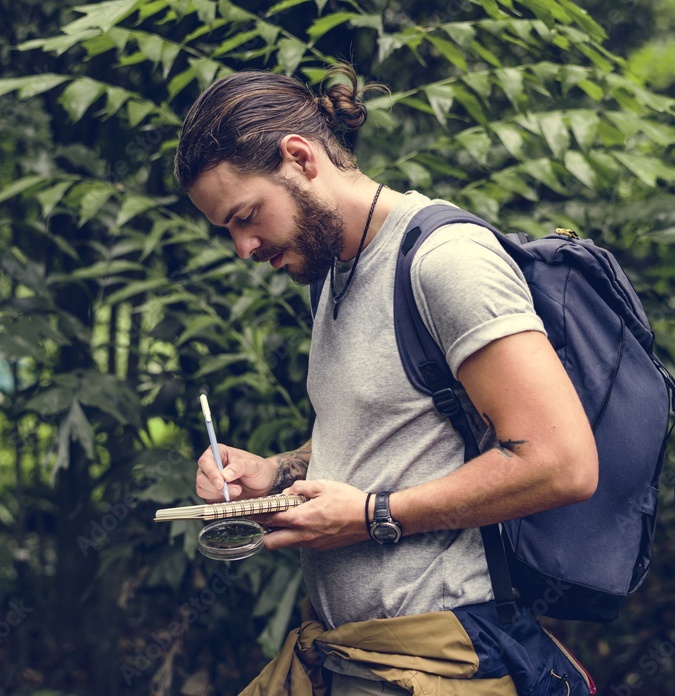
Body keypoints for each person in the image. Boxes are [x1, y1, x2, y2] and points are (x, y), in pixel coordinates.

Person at [175, 64, 599, 695]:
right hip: (352, 657)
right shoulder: (334, 274)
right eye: (229, 230)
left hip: (443, 659)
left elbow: (562, 462)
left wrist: (374, 515)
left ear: (299, 157)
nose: (243, 247)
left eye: (246, 215)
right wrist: (276, 472)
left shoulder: (444, 261)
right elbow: (393, 432)